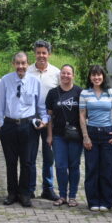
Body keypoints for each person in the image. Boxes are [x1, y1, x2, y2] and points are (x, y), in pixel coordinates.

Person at [0, 52, 48, 207]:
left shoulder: (35, 81)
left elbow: (41, 106)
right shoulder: (5, 80)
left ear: (27, 64)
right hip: (9, 125)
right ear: (13, 64)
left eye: (23, 63)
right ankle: (12, 193)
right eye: (17, 63)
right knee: (10, 162)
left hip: (28, 126)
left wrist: (44, 120)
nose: (20, 66)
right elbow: (0, 105)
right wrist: (1, 123)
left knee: (27, 162)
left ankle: (24, 194)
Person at [79, 65, 112, 212]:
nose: (96, 78)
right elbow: (82, 115)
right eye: (93, 75)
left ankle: (106, 201)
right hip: (91, 132)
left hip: (107, 133)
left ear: (103, 76)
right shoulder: (85, 93)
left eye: (99, 75)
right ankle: (93, 201)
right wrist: (85, 136)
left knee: (107, 168)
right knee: (91, 168)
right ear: (90, 77)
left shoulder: (111, 93)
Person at [26, 40, 60, 201]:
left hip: (50, 121)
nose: (41, 56)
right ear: (35, 54)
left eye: (44, 53)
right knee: (30, 156)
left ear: (49, 54)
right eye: (38, 52)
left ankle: (48, 188)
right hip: (30, 119)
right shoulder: (27, 71)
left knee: (48, 156)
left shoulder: (56, 73)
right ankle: (30, 188)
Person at [45, 64, 83, 208]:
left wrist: (85, 135)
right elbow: (49, 117)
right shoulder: (53, 93)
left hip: (76, 136)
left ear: (73, 75)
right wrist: (49, 136)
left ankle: (72, 196)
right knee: (60, 166)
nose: (65, 76)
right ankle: (62, 196)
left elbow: (84, 115)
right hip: (58, 136)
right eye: (63, 73)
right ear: (60, 74)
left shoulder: (80, 92)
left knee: (74, 166)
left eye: (68, 73)